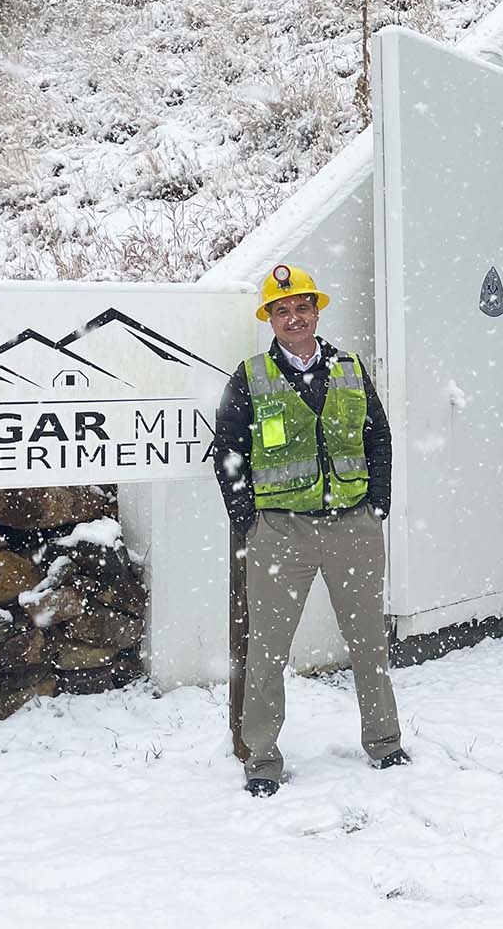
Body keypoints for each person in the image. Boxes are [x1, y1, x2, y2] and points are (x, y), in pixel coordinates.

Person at [213, 263, 410, 798]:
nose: (294, 317)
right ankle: (261, 758)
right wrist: (247, 522)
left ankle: (385, 739)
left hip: (353, 525)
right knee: (268, 650)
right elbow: (228, 453)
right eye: (282, 310)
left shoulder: (348, 367)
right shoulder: (250, 376)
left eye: (302, 307)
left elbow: (379, 438)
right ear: (270, 320)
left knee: (368, 640)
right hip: (281, 531)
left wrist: (378, 506)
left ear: (316, 311)